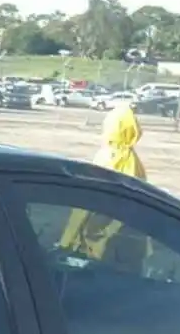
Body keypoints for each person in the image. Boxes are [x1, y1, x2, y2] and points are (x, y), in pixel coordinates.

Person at [60, 103, 148, 264]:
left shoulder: (109, 157)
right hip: (128, 246)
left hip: (102, 246)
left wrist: (66, 241)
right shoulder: (133, 160)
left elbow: (86, 204)